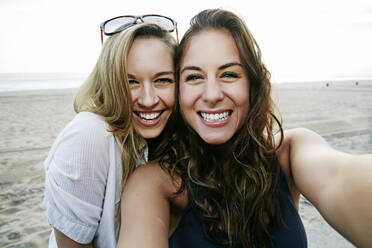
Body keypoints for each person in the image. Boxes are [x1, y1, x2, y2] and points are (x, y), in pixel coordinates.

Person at [117, 9, 372, 248]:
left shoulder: (291, 153)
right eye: (194, 77)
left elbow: (340, 177)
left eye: (229, 74)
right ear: (179, 90)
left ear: (253, 84)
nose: (212, 94)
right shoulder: (153, 183)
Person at [42, 14, 179, 248]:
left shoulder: (177, 136)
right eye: (131, 82)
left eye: (163, 80)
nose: (148, 100)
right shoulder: (88, 137)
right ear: (111, 82)